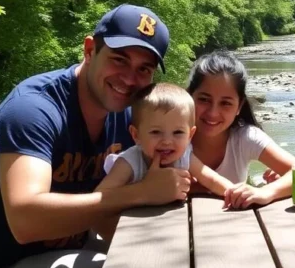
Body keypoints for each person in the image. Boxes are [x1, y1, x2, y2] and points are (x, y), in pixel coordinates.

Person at [0, 4, 191, 268]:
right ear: (90, 50)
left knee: (179, 263)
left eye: (144, 69)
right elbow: (26, 219)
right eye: (119, 60)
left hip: (66, 251)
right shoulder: (34, 110)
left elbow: (178, 152)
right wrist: (140, 193)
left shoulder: (129, 116)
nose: (130, 79)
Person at [186, 50, 295, 210]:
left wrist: (267, 192)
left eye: (225, 103)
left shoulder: (246, 137)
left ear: (239, 106)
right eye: (204, 99)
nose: (212, 113)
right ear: (189, 96)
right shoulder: (167, 135)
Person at [98, 83, 236, 202]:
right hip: (129, 226)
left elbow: (211, 179)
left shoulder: (184, 157)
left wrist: (235, 193)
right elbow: (100, 196)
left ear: (190, 135)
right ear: (136, 135)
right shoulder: (130, 161)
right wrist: (143, 190)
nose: (167, 141)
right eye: (156, 132)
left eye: (178, 133)